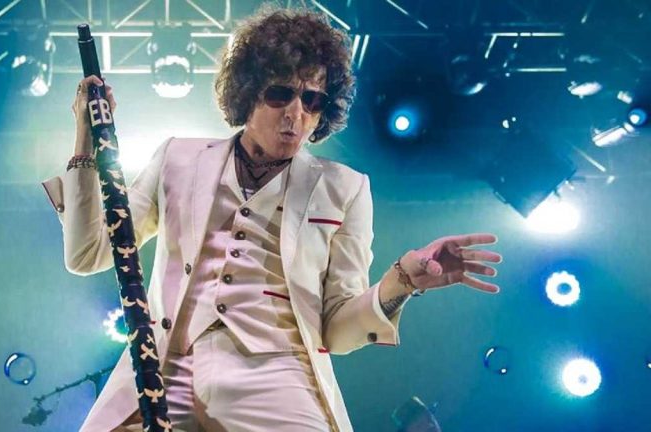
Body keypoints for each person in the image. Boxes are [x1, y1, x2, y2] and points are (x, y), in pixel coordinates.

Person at [42, 6, 502, 432]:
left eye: (312, 99)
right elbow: (87, 254)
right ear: (247, 93)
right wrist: (85, 135)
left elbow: (337, 331)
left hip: (278, 378)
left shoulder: (345, 187)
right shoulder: (177, 158)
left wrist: (402, 281)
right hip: (166, 370)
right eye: (281, 93)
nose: (296, 114)